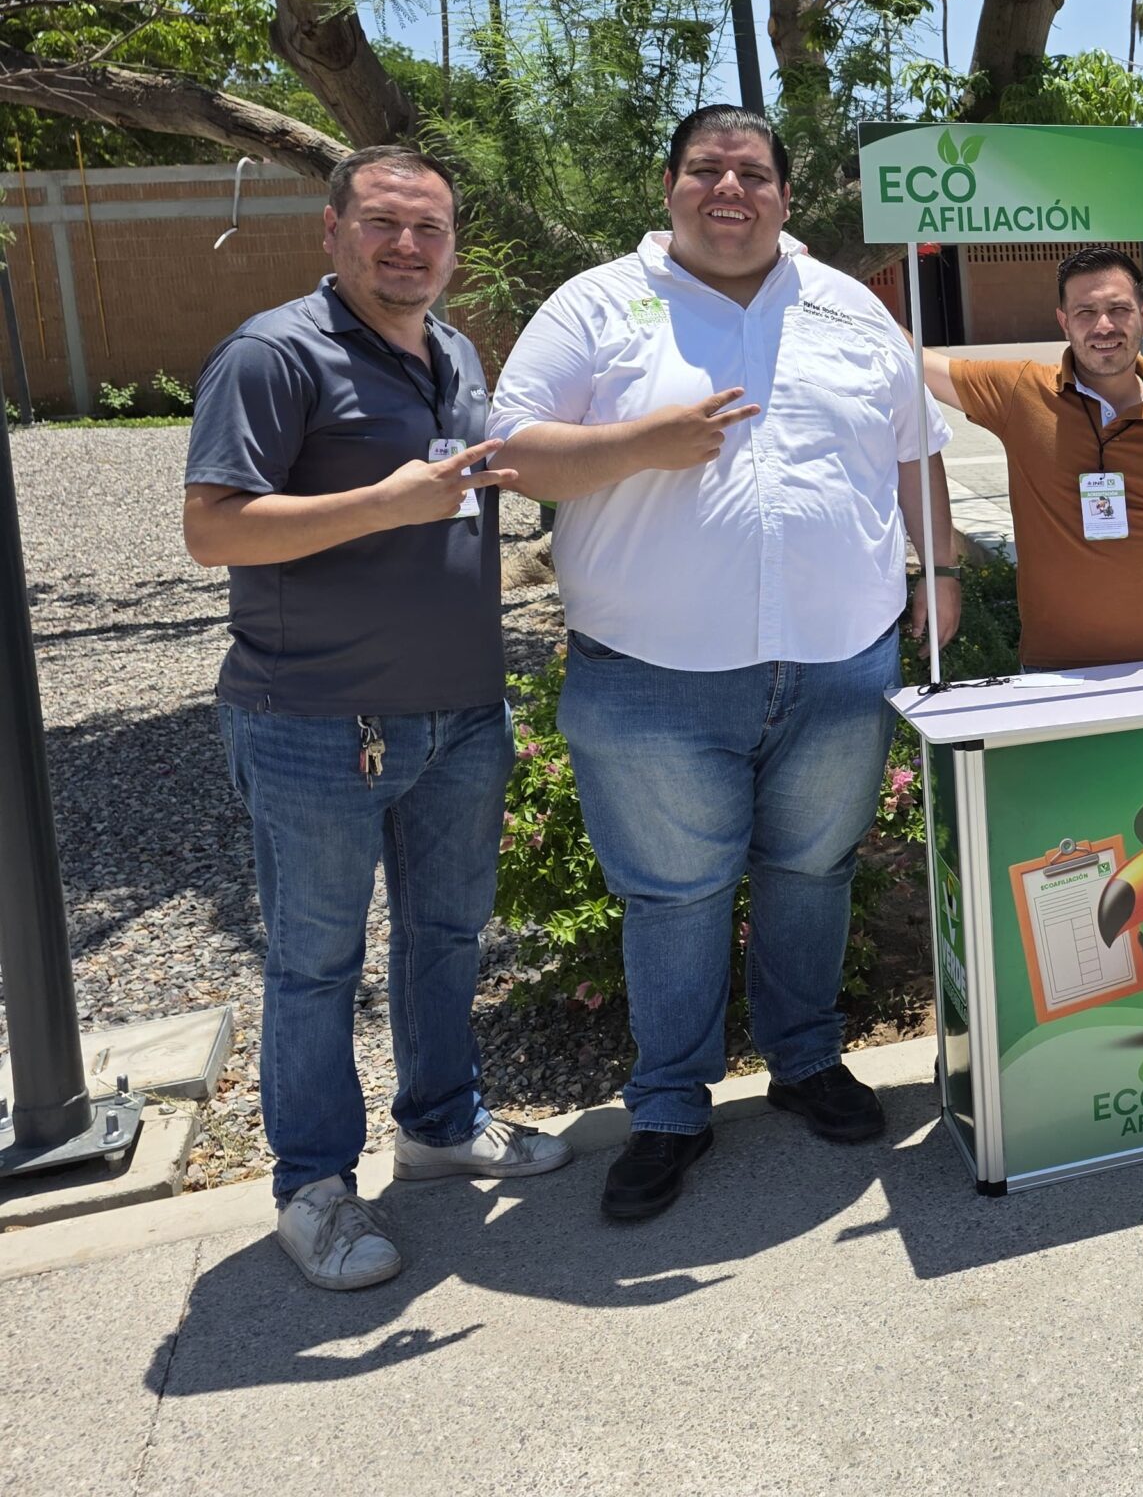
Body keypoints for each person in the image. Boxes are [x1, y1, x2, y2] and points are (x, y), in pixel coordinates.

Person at [491, 105, 959, 1224]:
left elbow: (916, 452)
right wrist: (637, 446)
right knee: (672, 897)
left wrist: (936, 580)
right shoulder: (599, 306)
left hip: (839, 663)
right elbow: (510, 454)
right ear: (668, 187)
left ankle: (803, 1064)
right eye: (706, 170)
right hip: (652, 674)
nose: (729, 189)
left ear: (786, 197)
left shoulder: (849, 309)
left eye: (752, 172)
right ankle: (667, 1108)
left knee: (814, 871)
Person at [184, 145, 570, 1292]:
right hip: (315, 721)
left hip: (459, 712)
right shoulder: (272, 353)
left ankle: (440, 1125)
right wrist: (380, 504)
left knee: (448, 935)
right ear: (332, 230)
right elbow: (214, 529)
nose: (408, 247)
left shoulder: (452, 351)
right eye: (385, 225)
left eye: (430, 231)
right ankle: (312, 1188)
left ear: (452, 244)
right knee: (315, 963)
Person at [920, 247, 1143, 671]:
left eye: (1118, 309)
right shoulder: (1020, 393)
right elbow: (913, 359)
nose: (1104, 326)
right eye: (1085, 312)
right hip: (1054, 670)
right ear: (1063, 321)